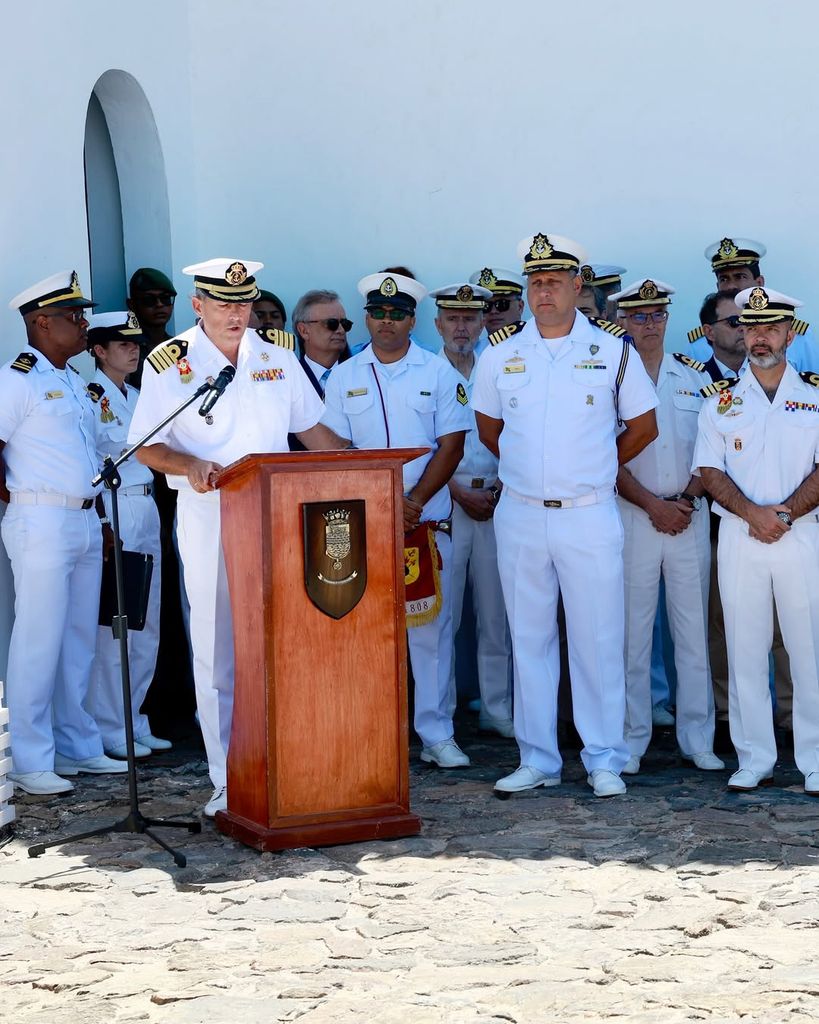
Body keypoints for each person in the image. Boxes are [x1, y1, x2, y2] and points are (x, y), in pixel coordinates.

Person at [128, 258, 347, 817]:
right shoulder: (170, 363)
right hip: (211, 514)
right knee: (219, 645)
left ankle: (289, 763)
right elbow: (148, 445)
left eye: (244, 303)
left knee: (284, 641)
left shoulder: (276, 357)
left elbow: (312, 430)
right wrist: (190, 463)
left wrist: (361, 466)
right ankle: (229, 778)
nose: (236, 313)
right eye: (223, 303)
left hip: (276, 515)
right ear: (198, 305)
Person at [471, 233, 658, 798]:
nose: (543, 291)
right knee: (529, 637)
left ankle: (604, 756)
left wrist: (597, 464)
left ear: (579, 286)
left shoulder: (612, 350)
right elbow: (488, 428)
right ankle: (538, 758)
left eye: (554, 281)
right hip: (522, 513)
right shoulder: (501, 353)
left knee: (598, 638)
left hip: (589, 512)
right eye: (535, 281)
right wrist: (534, 471)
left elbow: (644, 427)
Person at [322, 271, 471, 768]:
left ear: (413, 319)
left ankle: (436, 734)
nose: (387, 322)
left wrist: (414, 500)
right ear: (366, 317)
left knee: (430, 634)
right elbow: (337, 450)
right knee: (364, 633)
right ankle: (372, 730)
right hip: (362, 522)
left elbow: (451, 445)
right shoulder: (343, 377)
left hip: (422, 523)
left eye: (398, 314)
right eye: (378, 313)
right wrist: (381, 500)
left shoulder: (437, 373)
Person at [1, 271, 127, 796]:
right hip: (42, 519)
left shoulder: (75, 381)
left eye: (82, 314)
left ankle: (77, 744)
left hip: (84, 517)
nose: (82, 323)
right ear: (39, 323)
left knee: (79, 639)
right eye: (72, 316)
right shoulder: (17, 379)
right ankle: (30, 758)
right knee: (38, 638)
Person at [694, 286, 819, 794]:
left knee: (808, 648)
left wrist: (784, 513)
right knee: (745, 647)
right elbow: (707, 470)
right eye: (751, 327)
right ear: (741, 333)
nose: (760, 336)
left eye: (771, 327)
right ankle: (754, 757)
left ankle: (813, 756)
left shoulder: (814, 395)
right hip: (741, 537)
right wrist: (753, 514)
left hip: (801, 534)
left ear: (790, 332)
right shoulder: (719, 402)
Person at [611, 278, 723, 775]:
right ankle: (632, 738)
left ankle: (698, 738)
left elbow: (712, 452)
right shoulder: (609, 378)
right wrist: (653, 506)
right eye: (638, 316)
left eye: (656, 315)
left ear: (667, 319)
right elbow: (601, 458)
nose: (649, 324)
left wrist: (684, 500)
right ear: (623, 321)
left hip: (687, 516)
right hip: (633, 517)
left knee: (691, 633)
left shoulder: (694, 377)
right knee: (633, 634)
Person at [85, 311, 171, 759]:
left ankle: (134, 718)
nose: (133, 349)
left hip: (146, 504)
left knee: (146, 622)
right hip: (116, 508)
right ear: (98, 350)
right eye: (121, 344)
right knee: (116, 626)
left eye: (135, 343)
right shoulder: (91, 395)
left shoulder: (140, 395)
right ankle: (109, 725)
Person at [430, 282, 513, 738]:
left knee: (495, 614)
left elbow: (515, 435)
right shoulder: (426, 371)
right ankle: (439, 715)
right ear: (438, 323)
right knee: (443, 618)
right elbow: (426, 449)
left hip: (497, 503)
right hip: (446, 505)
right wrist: (459, 493)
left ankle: (496, 708)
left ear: (483, 322)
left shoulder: (499, 368)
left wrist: (501, 487)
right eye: (453, 318)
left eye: (470, 318)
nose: (461, 327)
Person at [688, 238, 815, 370]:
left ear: (759, 283)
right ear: (717, 285)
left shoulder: (796, 336)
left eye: (740, 277)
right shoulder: (700, 343)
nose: (731, 286)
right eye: (724, 279)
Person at [291, 289, 352, 395]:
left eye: (345, 323)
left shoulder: (361, 374)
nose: (341, 330)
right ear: (304, 331)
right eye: (331, 323)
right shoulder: (289, 378)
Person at [127, 268, 177, 388]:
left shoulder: (179, 346)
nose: (159, 305)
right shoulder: (128, 350)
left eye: (165, 298)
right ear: (131, 305)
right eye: (149, 300)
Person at [468, 267, 525, 341]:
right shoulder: (474, 351)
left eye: (502, 304)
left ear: (520, 307)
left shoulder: (538, 344)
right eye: (486, 306)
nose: (493, 311)